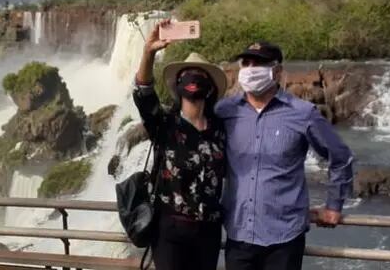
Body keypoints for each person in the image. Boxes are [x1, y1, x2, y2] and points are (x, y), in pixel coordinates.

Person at [215, 41, 354, 270]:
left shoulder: (302, 113)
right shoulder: (226, 111)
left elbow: (340, 156)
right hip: (238, 234)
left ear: (277, 71)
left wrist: (334, 205)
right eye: (246, 63)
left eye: (258, 63)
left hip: (284, 238)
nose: (250, 69)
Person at [133, 19, 227, 270]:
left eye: (200, 75)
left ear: (209, 89)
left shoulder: (221, 129)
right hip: (170, 230)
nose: (193, 79)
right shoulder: (164, 124)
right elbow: (143, 92)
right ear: (178, 86)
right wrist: (149, 52)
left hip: (208, 230)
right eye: (187, 75)